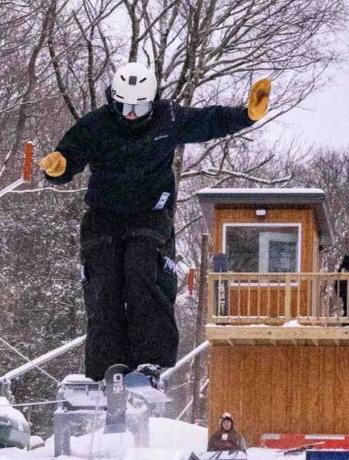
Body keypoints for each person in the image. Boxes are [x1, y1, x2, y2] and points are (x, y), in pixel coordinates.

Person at [39, 62, 271, 383]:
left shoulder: (168, 118)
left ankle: (150, 362)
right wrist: (59, 166)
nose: (131, 114)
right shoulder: (97, 125)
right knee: (103, 285)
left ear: (153, 100)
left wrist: (246, 114)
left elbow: (209, 120)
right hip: (103, 217)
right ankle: (105, 366)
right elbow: (69, 155)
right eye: (124, 106)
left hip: (149, 214)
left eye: (139, 106)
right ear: (112, 101)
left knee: (142, 273)